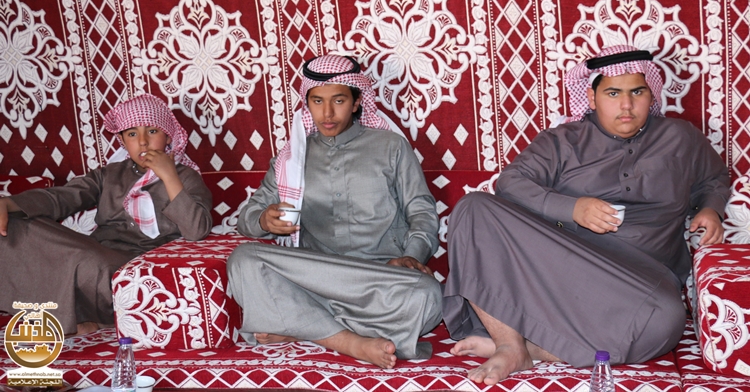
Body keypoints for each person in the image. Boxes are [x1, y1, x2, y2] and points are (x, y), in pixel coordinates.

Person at [442, 45, 730, 385]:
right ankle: (508, 343)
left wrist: (711, 208)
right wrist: (572, 208)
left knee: (665, 321)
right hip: (567, 266)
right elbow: (511, 183)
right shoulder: (562, 141)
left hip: (642, 281)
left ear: (651, 94)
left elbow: (714, 178)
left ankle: (532, 349)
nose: (626, 105)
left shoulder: (681, 137)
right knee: (474, 208)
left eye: (637, 92)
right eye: (613, 93)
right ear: (592, 98)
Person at [227, 54, 442, 369]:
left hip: (379, 276)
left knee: (427, 295)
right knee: (244, 259)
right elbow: (247, 219)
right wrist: (264, 220)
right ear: (307, 104)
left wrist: (413, 255)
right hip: (315, 277)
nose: (327, 113)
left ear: (357, 102)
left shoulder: (391, 147)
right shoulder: (292, 159)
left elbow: (421, 211)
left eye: (338, 101)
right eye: (317, 101)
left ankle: (301, 325)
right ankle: (350, 341)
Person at [0, 94, 213, 335]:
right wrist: (10, 203)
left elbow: (197, 230)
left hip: (138, 267)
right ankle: (82, 318)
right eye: (132, 134)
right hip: (97, 253)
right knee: (15, 225)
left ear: (168, 136)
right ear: (122, 141)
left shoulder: (186, 177)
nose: (143, 142)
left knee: (91, 264)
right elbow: (63, 197)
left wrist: (169, 175)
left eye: (152, 131)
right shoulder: (109, 175)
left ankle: (92, 320)